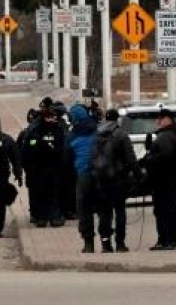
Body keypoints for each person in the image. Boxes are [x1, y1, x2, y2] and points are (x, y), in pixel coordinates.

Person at [91, 108, 138, 252]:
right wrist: (138, 175)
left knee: (104, 212)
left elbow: (92, 156)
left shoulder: (97, 134)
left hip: (101, 179)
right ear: (117, 119)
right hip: (118, 179)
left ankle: (105, 244)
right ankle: (120, 243)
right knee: (120, 211)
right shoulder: (121, 135)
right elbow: (130, 158)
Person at [143, 108, 176, 251]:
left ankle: (165, 240)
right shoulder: (170, 134)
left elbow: (165, 157)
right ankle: (170, 240)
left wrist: (149, 159)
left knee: (163, 210)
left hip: (163, 180)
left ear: (167, 119)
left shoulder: (166, 136)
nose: (157, 122)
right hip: (168, 179)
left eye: (159, 119)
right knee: (169, 210)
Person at [24, 106, 66, 228]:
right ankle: (44, 218)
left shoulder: (54, 130)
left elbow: (62, 150)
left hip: (51, 167)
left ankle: (51, 217)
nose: (53, 119)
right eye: (51, 117)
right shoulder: (37, 131)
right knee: (44, 193)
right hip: (41, 168)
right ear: (46, 117)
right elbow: (29, 149)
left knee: (51, 193)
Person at [66, 103, 100, 254]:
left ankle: (88, 243)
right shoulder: (98, 129)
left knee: (84, 210)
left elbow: (66, 159)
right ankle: (107, 243)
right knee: (104, 209)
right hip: (101, 175)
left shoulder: (72, 135)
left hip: (83, 175)